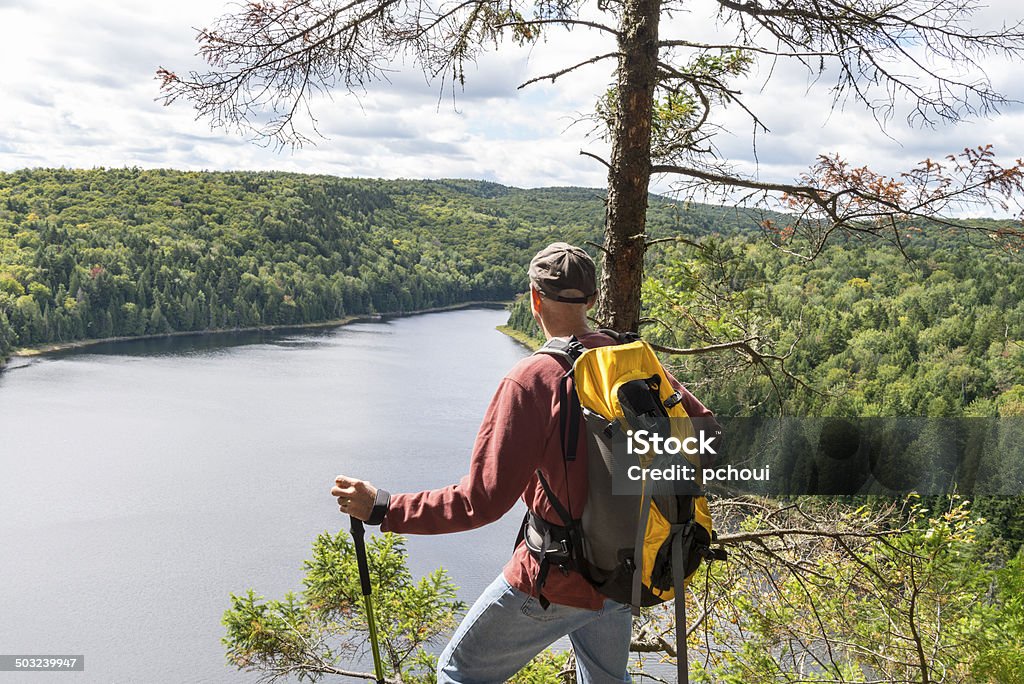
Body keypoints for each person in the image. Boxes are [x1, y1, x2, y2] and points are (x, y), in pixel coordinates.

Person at [331, 242, 716, 684]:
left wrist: (382, 507)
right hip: (628, 567)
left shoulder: (533, 379)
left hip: (558, 580)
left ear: (533, 298)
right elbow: (704, 431)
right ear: (591, 299)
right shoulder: (629, 357)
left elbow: (479, 502)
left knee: (458, 671)